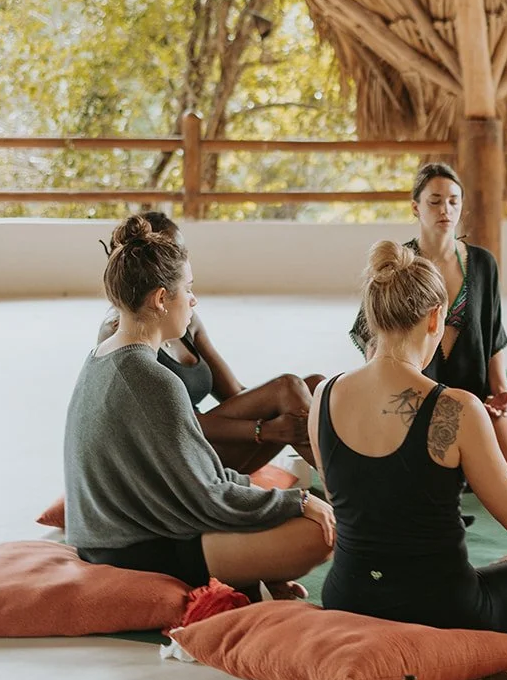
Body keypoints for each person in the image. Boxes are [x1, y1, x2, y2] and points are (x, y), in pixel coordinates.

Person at [314, 242, 507, 635]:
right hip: (442, 606)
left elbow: (344, 496)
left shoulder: (324, 394)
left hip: (347, 597)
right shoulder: (455, 407)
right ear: (435, 317)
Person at [65, 214, 335, 597]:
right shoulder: (152, 378)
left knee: (292, 514)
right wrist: (298, 501)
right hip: (130, 550)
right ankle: (251, 573)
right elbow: (208, 497)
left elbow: (202, 477)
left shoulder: (104, 355)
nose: (193, 300)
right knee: (319, 535)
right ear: (161, 299)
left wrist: (276, 502)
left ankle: (254, 575)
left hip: (118, 533)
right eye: (187, 289)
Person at [350, 165, 507, 482]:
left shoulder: (483, 263)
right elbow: (371, 338)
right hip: (414, 398)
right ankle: (504, 440)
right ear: (416, 207)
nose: (445, 210)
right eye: (434, 201)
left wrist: (500, 392)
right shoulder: (399, 264)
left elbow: (493, 338)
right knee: (422, 473)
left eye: (453, 201)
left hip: (476, 399)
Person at [97, 212, 321, 474]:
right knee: (288, 388)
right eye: (175, 252)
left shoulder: (186, 320)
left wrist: (292, 409)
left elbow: (234, 392)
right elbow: (169, 423)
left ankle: (353, 482)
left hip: (209, 438)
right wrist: (264, 429)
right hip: (177, 452)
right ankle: (350, 498)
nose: (183, 261)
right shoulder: (125, 333)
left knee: (315, 387)